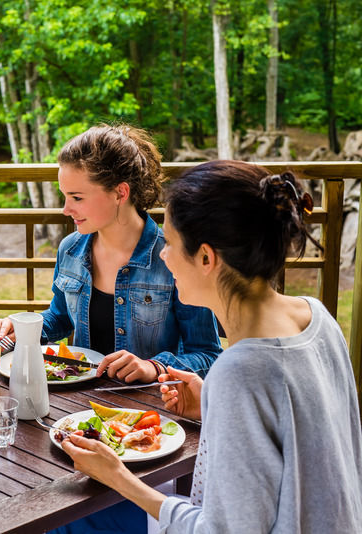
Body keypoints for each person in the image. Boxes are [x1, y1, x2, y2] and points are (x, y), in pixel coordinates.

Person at [61, 160, 362, 532]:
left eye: (169, 243)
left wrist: (117, 476)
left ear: (206, 258)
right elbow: (305, 447)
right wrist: (211, 406)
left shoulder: (240, 371)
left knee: (71, 514)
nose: (162, 256)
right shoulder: (318, 320)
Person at [0, 125, 221, 382]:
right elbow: (60, 317)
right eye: (64, 196)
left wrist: (154, 367)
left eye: (76, 198)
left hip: (149, 412)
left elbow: (207, 355)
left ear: (120, 193)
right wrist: (23, 328)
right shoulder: (70, 248)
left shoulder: (174, 257)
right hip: (76, 408)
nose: (65, 209)